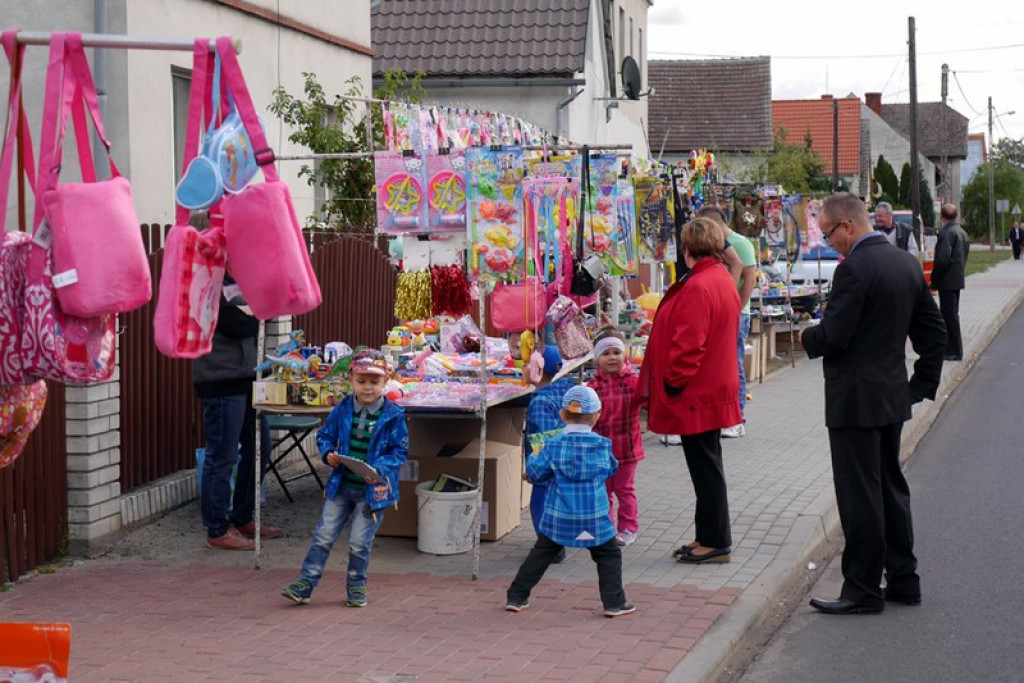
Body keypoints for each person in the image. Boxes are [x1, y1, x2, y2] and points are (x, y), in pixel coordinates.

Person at [799, 192, 946, 615]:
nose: (830, 243)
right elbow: (934, 332)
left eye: (829, 234)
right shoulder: (905, 263)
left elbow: (835, 336)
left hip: (855, 399)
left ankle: (863, 588)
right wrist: (920, 384)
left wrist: (807, 336)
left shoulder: (854, 269)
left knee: (859, 493)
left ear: (847, 225)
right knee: (890, 487)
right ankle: (903, 579)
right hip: (889, 395)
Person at [640, 217, 741, 564]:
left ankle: (716, 542)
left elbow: (689, 345)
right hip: (711, 386)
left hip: (698, 392)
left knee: (706, 469)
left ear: (686, 249)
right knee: (707, 466)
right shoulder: (720, 278)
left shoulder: (699, 285)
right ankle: (708, 536)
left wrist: (672, 382)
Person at [281, 349, 409, 607]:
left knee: (359, 542)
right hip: (341, 486)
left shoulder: (393, 415)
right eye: (361, 381)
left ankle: (356, 584)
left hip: (372, 492)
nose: (367, 388)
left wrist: (378, 469)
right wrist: (328, 453)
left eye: (374, 382)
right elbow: (325, 435)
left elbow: (399, 451)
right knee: (323, 535)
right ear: (351, 380)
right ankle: (306, 582)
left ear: (386, 381)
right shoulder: (342, 408)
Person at [505, 386, 635, 618]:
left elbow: (536, 472)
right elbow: (611, 469)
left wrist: (534, 463)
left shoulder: (552, 445)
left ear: (563, 415)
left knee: (541, 554)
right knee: (609, 556)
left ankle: (517, 596)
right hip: (595, 517)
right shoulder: (603, 445)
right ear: (596, 416)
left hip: (559, 517)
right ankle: (614, 602)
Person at [193, 274, 278, 551]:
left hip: (246, 377)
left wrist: (259, 309)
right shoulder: (208, 283)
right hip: (221, 378)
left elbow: (260, 317)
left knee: (259, 447)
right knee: (222, 455)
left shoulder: (239, 281)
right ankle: (217, 528)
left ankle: (242, 517)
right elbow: (238, 325)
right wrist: (259, 312)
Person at [698, 205, 757, 438]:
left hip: (737, 313)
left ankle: (737, 418)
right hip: (719, 312)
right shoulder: (712, 246)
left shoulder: (740, 244)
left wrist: (735, 308)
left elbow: (749, 279)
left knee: (734, 363)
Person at [587, 329, 644, 547]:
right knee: (603, 491)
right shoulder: (593, 387)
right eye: (606, 353)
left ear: (624, 355)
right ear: (597, 360)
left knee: (625, 489)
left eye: (616, 352)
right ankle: (606, 527)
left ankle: (628, 527)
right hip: (601, 450)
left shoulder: (633, 382)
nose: (612, 357)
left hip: (627, 449)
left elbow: (648, 401)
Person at [523, 345, 576, 565]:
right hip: (562, 460)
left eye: (526, 364)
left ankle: (550, 548)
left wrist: (535, 467)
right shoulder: (563, 392)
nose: (523, 369)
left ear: (537, 369)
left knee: (541, 504)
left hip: (547, 465)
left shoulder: (540, 402)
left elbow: (543, 440)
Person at [931, 204, 970, 361]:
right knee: (952, 314)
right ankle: (952, 348)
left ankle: (954, 350)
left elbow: (942, 260)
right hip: (956, 278)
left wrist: (934, 278)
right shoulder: (961, 232)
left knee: (949, 316)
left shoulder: (947, 233)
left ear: (942, 217)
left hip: (946, 280)